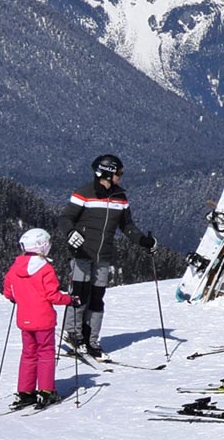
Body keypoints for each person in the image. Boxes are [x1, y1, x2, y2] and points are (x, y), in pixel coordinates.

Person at [60, 153, 155, 359]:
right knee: (79, 294)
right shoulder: (83, 193)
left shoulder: (120, 197)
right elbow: (66, 218)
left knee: (97, 298)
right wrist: (70, 233)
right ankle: (73, 334)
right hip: (81, 253)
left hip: (103, 255)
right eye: (119, 173)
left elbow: (127, 226)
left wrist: (142, 241)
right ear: (107, 173)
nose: (121, 176)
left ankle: (91, 340)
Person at [3, 227, 73, 409]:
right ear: (42, 246)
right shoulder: (45, 269)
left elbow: (9, 292)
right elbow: (53, 296)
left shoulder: (15, 267)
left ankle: (25, 392)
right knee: (46, 353)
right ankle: (46, 391)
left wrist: (17, 298)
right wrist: (69, 300)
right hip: (43, 320)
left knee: (28, 353)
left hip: (24, 319)